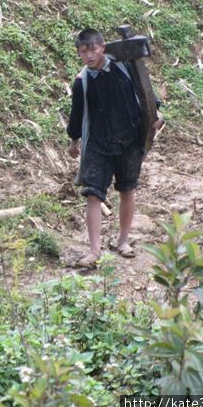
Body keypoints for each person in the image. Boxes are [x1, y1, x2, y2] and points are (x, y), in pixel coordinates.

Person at [66, 28, 163, 269]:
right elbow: (76, 114)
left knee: (127, 189)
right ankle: (94, 250)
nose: (89, 55)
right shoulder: (82, 83)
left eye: (93, 49)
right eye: (83, 51)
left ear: (103, 47)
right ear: (79, 53)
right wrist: (74, 140)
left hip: (129, 139)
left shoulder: (124, 68)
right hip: (98, 143)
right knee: (93, 194)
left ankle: (122, 241)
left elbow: (145, 90)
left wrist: (156, 112)